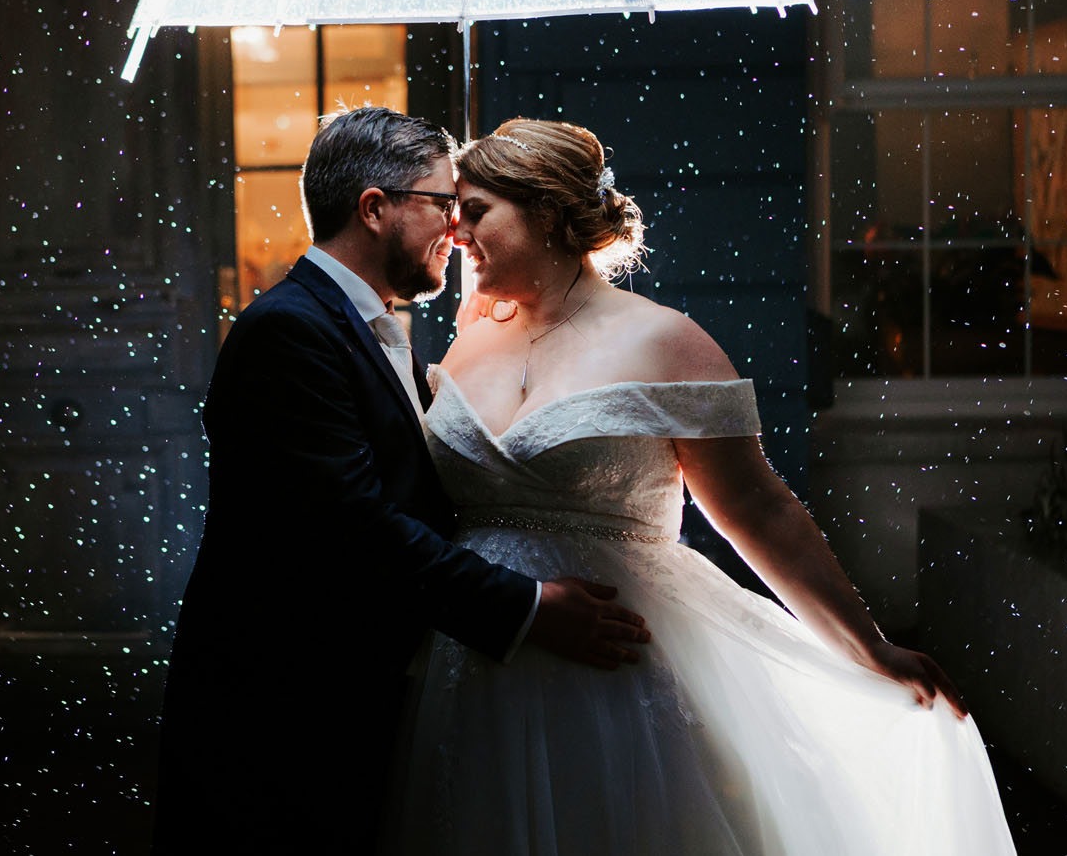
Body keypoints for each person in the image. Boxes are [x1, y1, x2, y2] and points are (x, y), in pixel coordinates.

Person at [388, 118, 1018, 854]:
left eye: (477, 209)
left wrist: (867, 643)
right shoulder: (468, 335)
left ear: (549, 214)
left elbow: (758, 509)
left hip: (612, 683)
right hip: (474, 669)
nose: (454, 230)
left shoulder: (665, 341)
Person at [150, 107, 652, 854]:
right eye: (444, 205)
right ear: (375, 208)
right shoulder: (289, 333)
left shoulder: (368, 328)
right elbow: (353, 528)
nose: (457, 229)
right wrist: (526, 606)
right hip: (280, 719)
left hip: (351, 709)